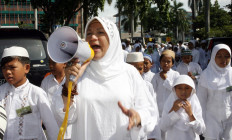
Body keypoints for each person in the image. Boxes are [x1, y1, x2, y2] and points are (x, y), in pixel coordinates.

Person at [54, 17, 157, 140]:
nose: (93, 37)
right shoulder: (78, 73)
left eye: (100, 32)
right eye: (89, 33)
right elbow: (64, 116)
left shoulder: (129, 73)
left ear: (112, 39)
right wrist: (69, 85)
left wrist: (138, 118)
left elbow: (149, 110)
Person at [0, 46, 59, 140]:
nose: (7, 72)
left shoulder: (36, 93)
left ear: (26, 68)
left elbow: (51, 125)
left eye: (12, 67)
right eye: (4, 68)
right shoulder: (1, 92)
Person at [197, 44, 232, 140]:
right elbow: (201, 101)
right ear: (213, 57)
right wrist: (202, 121)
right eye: (219, 56)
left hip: (229, 118)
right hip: (210, 118)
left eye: (227, 56)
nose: (223, 59)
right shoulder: (206, 75)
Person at [126, 52, 161, 140]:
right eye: (132, 69)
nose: (136, 72)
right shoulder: (120, 85)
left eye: (139, 68)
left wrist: (153, 134)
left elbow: (153, 110)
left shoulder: (147, 86)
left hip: (142, 133)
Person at [159, 75, 205, 140]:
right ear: (174, 89)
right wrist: (173, 110)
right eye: (179, 88)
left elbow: (201, 130)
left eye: (187, 88)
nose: (183, 91)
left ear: (192, 89)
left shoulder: (194, 103)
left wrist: (190, 114)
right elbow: (163, 127)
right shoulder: (170, 102)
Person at [40, 59, 73, 140]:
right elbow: (41, 104)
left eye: (54, 63)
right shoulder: (46, 81)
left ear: (64, 63)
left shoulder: (71, 80)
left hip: (71, 131)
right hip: (53, 131)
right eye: (49, 63)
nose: (51, 66)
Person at [151, 49, 179, 140]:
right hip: (159, 110)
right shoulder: (156, 76)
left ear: (172, 64)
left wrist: (166, 79)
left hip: (172, 109)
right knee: (161, 134)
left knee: (171, 133)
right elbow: (152, 92)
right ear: (160, 62)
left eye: (168, 61)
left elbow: (176, 91)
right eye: (163, 61)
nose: (166, 64)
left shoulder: (176, 75)